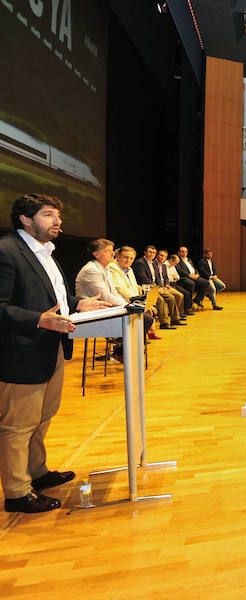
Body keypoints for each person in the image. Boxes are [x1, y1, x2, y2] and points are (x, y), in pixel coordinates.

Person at [0, 193, 111, 513]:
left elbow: (54, 296)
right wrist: (38, 319)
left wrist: (80, 305)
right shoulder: (7, 251)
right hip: (21, 353)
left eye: (57, 216)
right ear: (25, 219)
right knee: (18, 426)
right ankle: (17, 492)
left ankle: (37, 472)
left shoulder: (46, 253)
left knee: (42, 417)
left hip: (51, 350)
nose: (58, 222)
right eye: (49, 215)